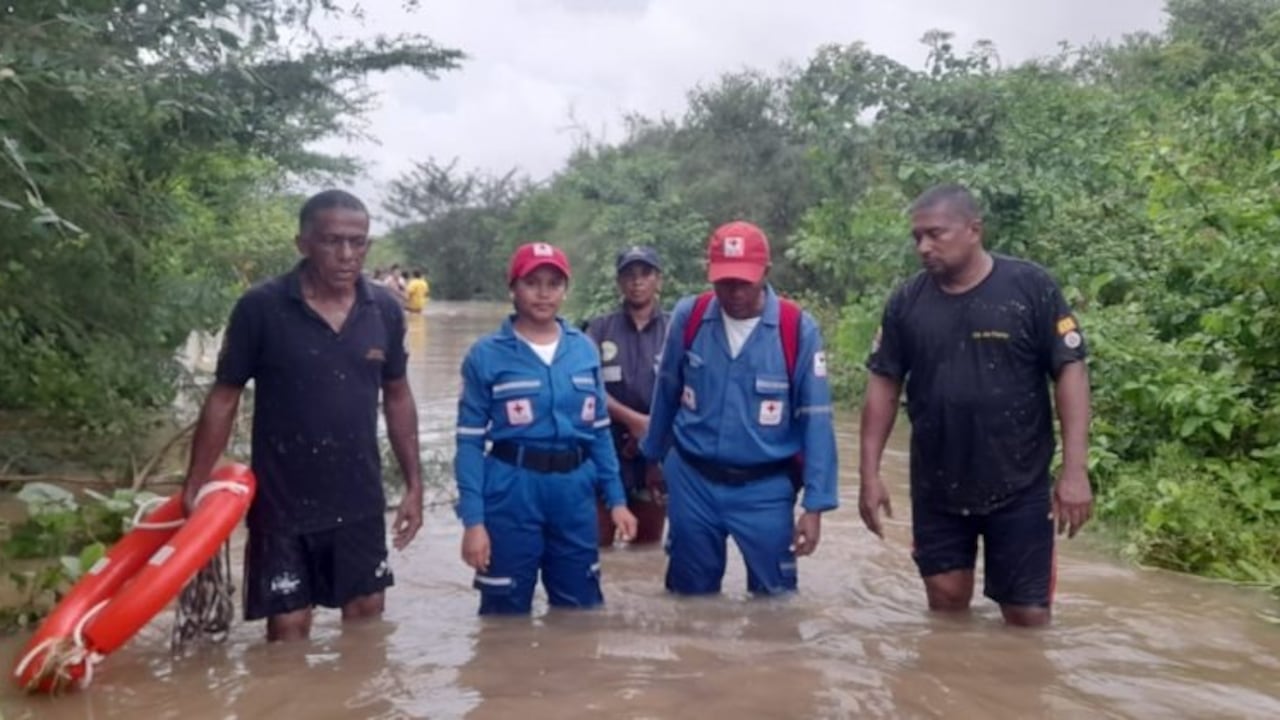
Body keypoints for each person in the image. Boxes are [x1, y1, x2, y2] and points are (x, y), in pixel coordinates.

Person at [181, 189, 424, 642]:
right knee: (288, 630)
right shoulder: (261, 308)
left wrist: (414, 485)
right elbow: (224, 396)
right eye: (332, 241)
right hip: (281, 502)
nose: (347, 254)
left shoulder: (385, 310)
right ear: (303, 244)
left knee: (367, 620)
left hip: (358, 497)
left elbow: (397, 395)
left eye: (358, 242)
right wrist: (195, 484)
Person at [858, 183, 1093, 628]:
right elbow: (884, 383)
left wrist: (1075, 471)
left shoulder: (1030, 287)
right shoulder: (906, 303)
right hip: (937, 485)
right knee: (945, 606)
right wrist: (869, 475)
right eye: (917, 237)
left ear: (974, 230)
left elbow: (1071, 372)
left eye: (935, 234)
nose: (923, 247)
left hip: (1020, 483)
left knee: (1027, 618)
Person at [640, 221, 838, 597]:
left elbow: (816, 420)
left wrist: (814, 506)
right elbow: (666, 391)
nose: (734, 293)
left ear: (766, 272)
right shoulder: (690, 316)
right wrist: (653, 459)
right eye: (724, 281)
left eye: (744, 282)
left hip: (765, 488)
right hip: (692, 480)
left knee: (774, 603)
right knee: (688, 599)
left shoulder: (797, 329)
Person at [454, 242, 638, 615]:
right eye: (532, 283)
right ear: (513, 288)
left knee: (580, 612)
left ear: (565, 290)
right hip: (511, 490)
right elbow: (469, 444)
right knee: (504, 616)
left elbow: (599, 433)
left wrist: (617, 501)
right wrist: (474, 522)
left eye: (554, 284)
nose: (543, 293)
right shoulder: (486, 355)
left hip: (574, 492)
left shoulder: (584, 349)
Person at [585, 246, 670, 546]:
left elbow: (688, 390)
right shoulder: (598, 329)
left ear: (658, 280)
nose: (637, 281)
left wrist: (652, 429)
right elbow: (587, 388)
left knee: (646, 551)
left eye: (645, 274)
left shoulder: (675, 329)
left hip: (654, 456)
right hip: (606, 449)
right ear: (619, 282)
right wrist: (633, 420)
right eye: (629, 275)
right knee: (597, 546)